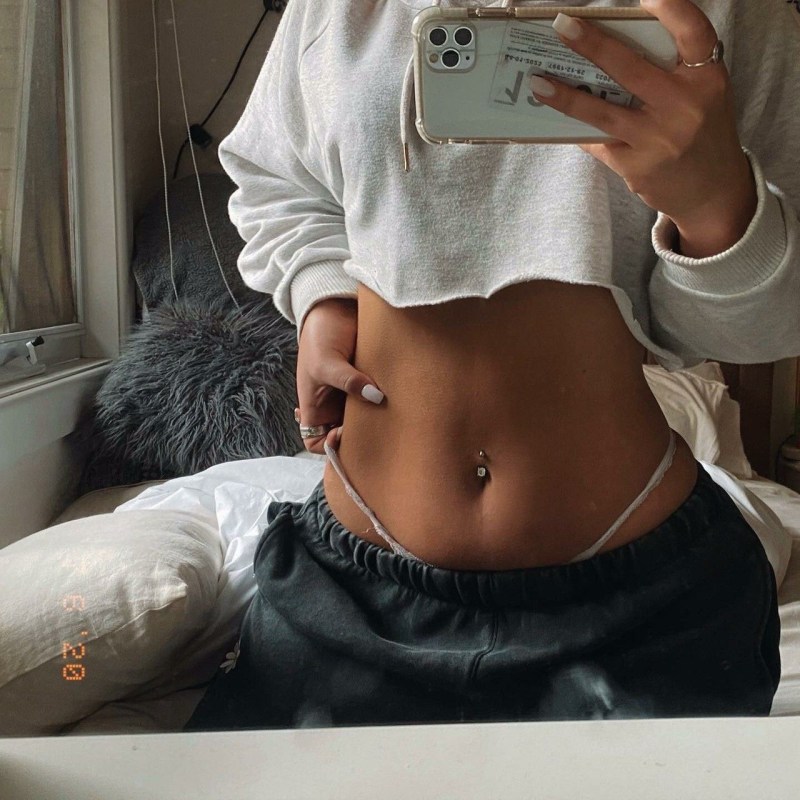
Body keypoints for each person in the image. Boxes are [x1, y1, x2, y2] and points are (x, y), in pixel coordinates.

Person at [184, 0, 800, 730]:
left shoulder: (728, 12)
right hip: (347, 593)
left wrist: (714, 206)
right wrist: (323, 297)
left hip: (646, 609)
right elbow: (276, 180)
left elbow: (765, 329)